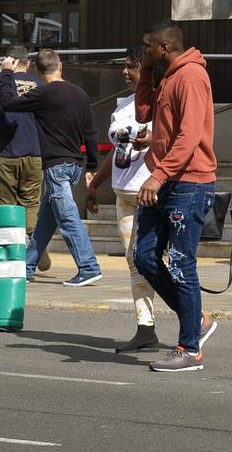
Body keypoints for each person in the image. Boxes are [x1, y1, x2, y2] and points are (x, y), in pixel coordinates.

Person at [133, 20, 219, 373]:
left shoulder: (191, 77)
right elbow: (143, 115)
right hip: (167, 180)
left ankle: (190, 349)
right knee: (144, 256)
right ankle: (195, 318)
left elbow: (188, 136)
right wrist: (144, 73)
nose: (143, 51)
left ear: (164, 47)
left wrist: (158, 176)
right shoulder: (165, 74)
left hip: (188, 184)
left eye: (147, 47)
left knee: (182, 264)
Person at [0, 48, 102, 287]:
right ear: (60, 65)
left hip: (55, 165)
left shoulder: (42, 95)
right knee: (47, 218)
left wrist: (6, 74)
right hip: (76, 166)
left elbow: (6, 103)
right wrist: (92, 166)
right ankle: (26, 266)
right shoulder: (80, 94)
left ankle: (89, 267)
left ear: (38, 70)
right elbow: (91, 133)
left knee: (67, 217)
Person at [85, 48, 161, 353]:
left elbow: (182, 140)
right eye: (125, 67)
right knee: (134, 262)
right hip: (124, 197)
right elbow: (117, 155)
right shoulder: (125, 106)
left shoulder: (164, 104)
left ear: (147, 70)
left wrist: (154, 138)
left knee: (153, 262)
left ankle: (193, 318)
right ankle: (146, 327)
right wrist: (96, 185)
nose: (125, 72)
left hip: (153, 196)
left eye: (131, 67)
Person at [0, 45, 49, 271]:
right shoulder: (40, 84)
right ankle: (36, 246)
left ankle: (8, 254)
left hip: (5, 153)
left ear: (7, 61)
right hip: (34, 152)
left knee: (5, 206)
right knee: (31, 203)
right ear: (27, 64)